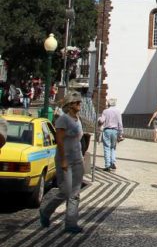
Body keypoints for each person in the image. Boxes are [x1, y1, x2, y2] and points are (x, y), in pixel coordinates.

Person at [39, 91, 85, 234]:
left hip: (77, 159)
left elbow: (78, 139)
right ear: (70, 104)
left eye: (80, 102)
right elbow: (59, 141)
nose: (80, 104)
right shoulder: (63, 119)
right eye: (77, 102)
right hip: (65, 159)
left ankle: (71, 223)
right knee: (66, 191)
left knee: (75, 192)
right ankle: (46, 211)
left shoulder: (78, 119)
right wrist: (64, 160)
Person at [98, 98, 123, 172]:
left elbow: (102, 120)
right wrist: (120, 134)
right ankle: (112, 162)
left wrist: (99, 119)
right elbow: (120, 123)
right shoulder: (118, 111)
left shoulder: (105, 111)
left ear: (108, 103)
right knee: (113, 147)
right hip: (115, 131)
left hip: (107, 130)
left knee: (107, 147)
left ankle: (107, 165)